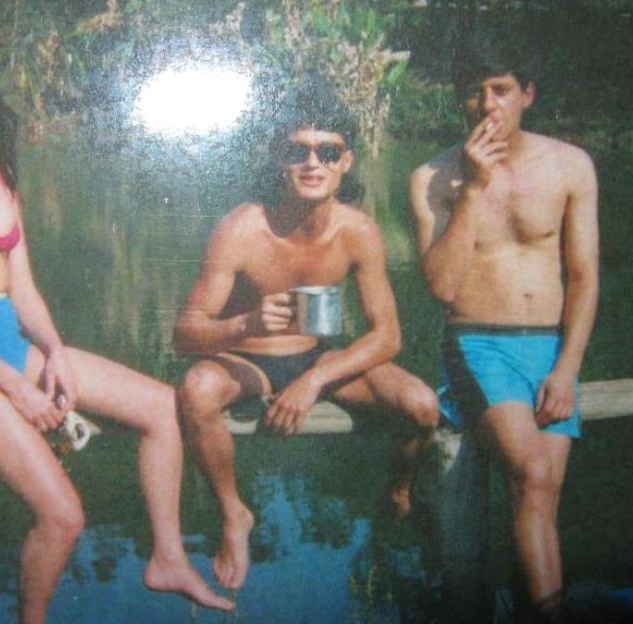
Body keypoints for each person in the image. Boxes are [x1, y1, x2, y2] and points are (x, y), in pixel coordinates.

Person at [0, 34, 233, 624]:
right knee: (63, 515)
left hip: (13, 346)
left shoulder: (1, 177)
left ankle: (166, 556)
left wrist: (53, 352)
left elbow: (22, 290)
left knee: (163, 407)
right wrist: (16, 388)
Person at [173, 87, 440, 591]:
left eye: (328, 151)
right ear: (279, 158)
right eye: (298, 151)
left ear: (346, 161)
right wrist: (245, 325)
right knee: (197, 390)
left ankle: (399, 486)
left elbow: (388, 335)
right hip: (244, 362)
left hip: (317, 360)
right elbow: (185, 333)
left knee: (422, 406)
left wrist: (314, 381)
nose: (313, 163)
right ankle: (233, 514)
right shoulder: (240, 229)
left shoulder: (358, 231)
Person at [409, 30, 599, 624]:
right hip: (477, 343)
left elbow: (584, 276)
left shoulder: (571, 165)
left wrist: (568, 368)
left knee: (538, 499)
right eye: (474, 92)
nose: (487, 104)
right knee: (534, 476)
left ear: (527, 94)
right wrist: (473, 189)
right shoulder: (432, 177)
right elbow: (441, 286)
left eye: (501, 89)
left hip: (551, 348)